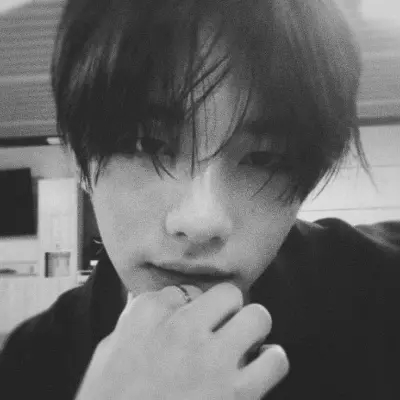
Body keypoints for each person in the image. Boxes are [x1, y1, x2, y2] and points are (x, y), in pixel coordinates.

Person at [1, 0, 400, 399]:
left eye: (264, 157)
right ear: (77, 156)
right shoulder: (27, 367)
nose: (200, 221)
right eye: (146, 143)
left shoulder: (382, 295)